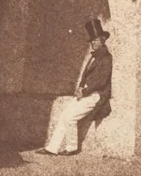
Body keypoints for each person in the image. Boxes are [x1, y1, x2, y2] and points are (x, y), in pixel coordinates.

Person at [39, 18, 113, 156]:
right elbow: (85, 77)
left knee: (70, 118)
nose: (92, 43)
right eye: (91, 40)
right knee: (64, 116)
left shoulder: (106, 58)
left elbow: (101, 81)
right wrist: (79, 89)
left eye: (95, 40)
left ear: (103, 40)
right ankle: (52, 148)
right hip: (85, 93)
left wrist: (84, 91)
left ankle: (72, 147)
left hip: (95, 95)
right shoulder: (94, 57)